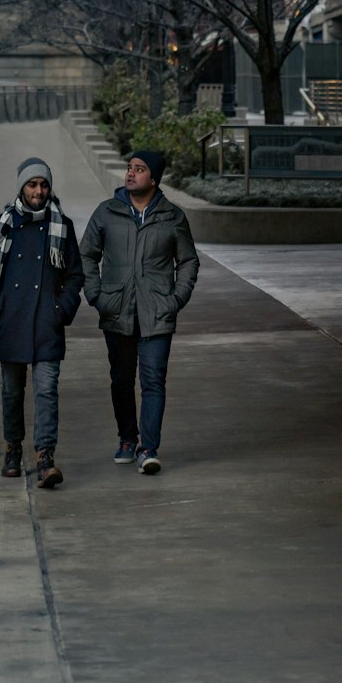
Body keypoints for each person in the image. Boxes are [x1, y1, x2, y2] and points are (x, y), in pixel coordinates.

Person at [79, 148, 199, 475]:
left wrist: (175, 299)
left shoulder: (172, 217)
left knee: (153, 381)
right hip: (116, 311)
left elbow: (187, 261)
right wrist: (96, 295)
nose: (131, 174)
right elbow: (86, 255)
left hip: (157, 313)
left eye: (140, 169)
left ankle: (149, 448)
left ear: (154, 179)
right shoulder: (107, 213)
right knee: (121, 380)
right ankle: (127, 439)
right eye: (130, 168)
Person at [0, 156, 84, 489]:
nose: (39, 190)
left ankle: (45, 457)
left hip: (47, 324)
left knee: (47, 391)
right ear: (22, 187)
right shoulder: (3, 224)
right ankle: (12, 448)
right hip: (13, 322)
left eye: (44, 184)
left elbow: (75, 274)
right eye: (33, 184)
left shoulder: (62, 226)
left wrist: (61, 309)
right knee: (11, 392)